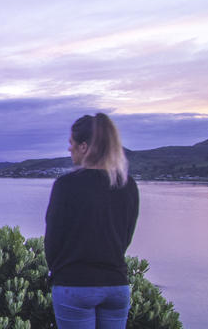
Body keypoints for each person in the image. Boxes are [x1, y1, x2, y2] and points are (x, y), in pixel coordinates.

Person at [44, 113, 139, 329]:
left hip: (74, 284)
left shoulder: (66, 185)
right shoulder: (128, 184)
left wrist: (59, 272)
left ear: (84, 147)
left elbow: (53, 240)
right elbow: (126, 236)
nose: (69, 149)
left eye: (72, 143)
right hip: (116, 284)